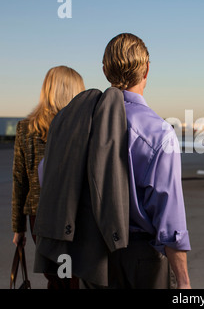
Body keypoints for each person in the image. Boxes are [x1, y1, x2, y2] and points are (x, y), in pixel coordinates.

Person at [33, 33, 191, 289]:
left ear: (105, 70)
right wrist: (184, 282)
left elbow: (46, 175)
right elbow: (170, 221)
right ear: (147, 69)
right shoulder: (159, 132)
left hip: (93, 257)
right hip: (142, 261)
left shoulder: (79, 122)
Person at [11, 65, 85, 289]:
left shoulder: (25, 128)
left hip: (39, 218)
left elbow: (19, 180)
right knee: (74, 274)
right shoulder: (83, 128)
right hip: (77, 215)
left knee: (56, 275)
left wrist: (18, 228)